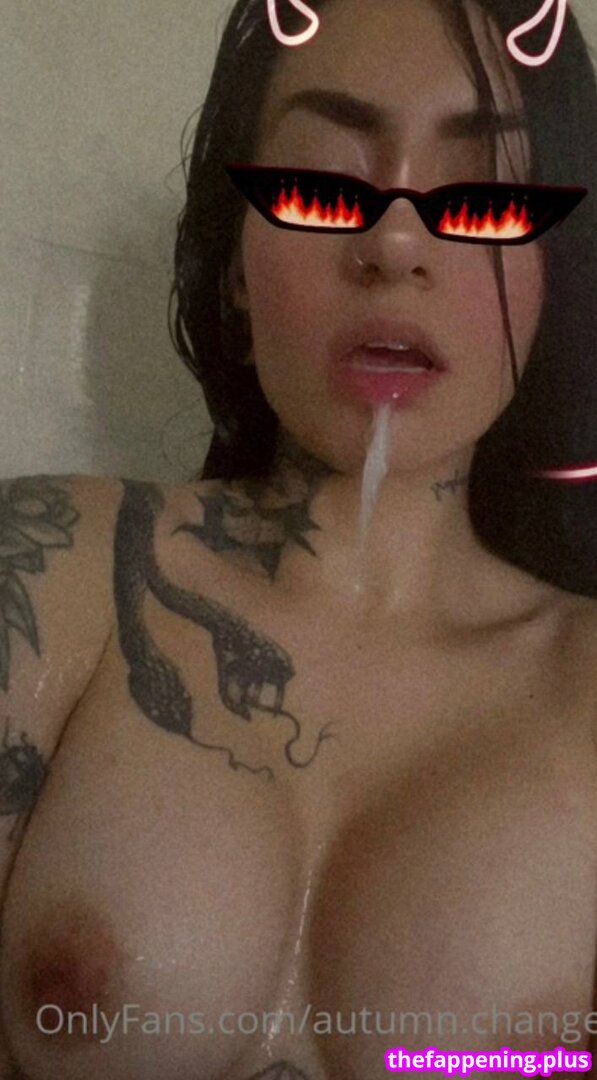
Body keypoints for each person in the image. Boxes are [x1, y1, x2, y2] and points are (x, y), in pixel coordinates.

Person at [0, 0, 595, 1077]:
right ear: (233, 263)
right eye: (322, 187)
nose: (396, 244)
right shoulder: (58, 577)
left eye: (483, 200)